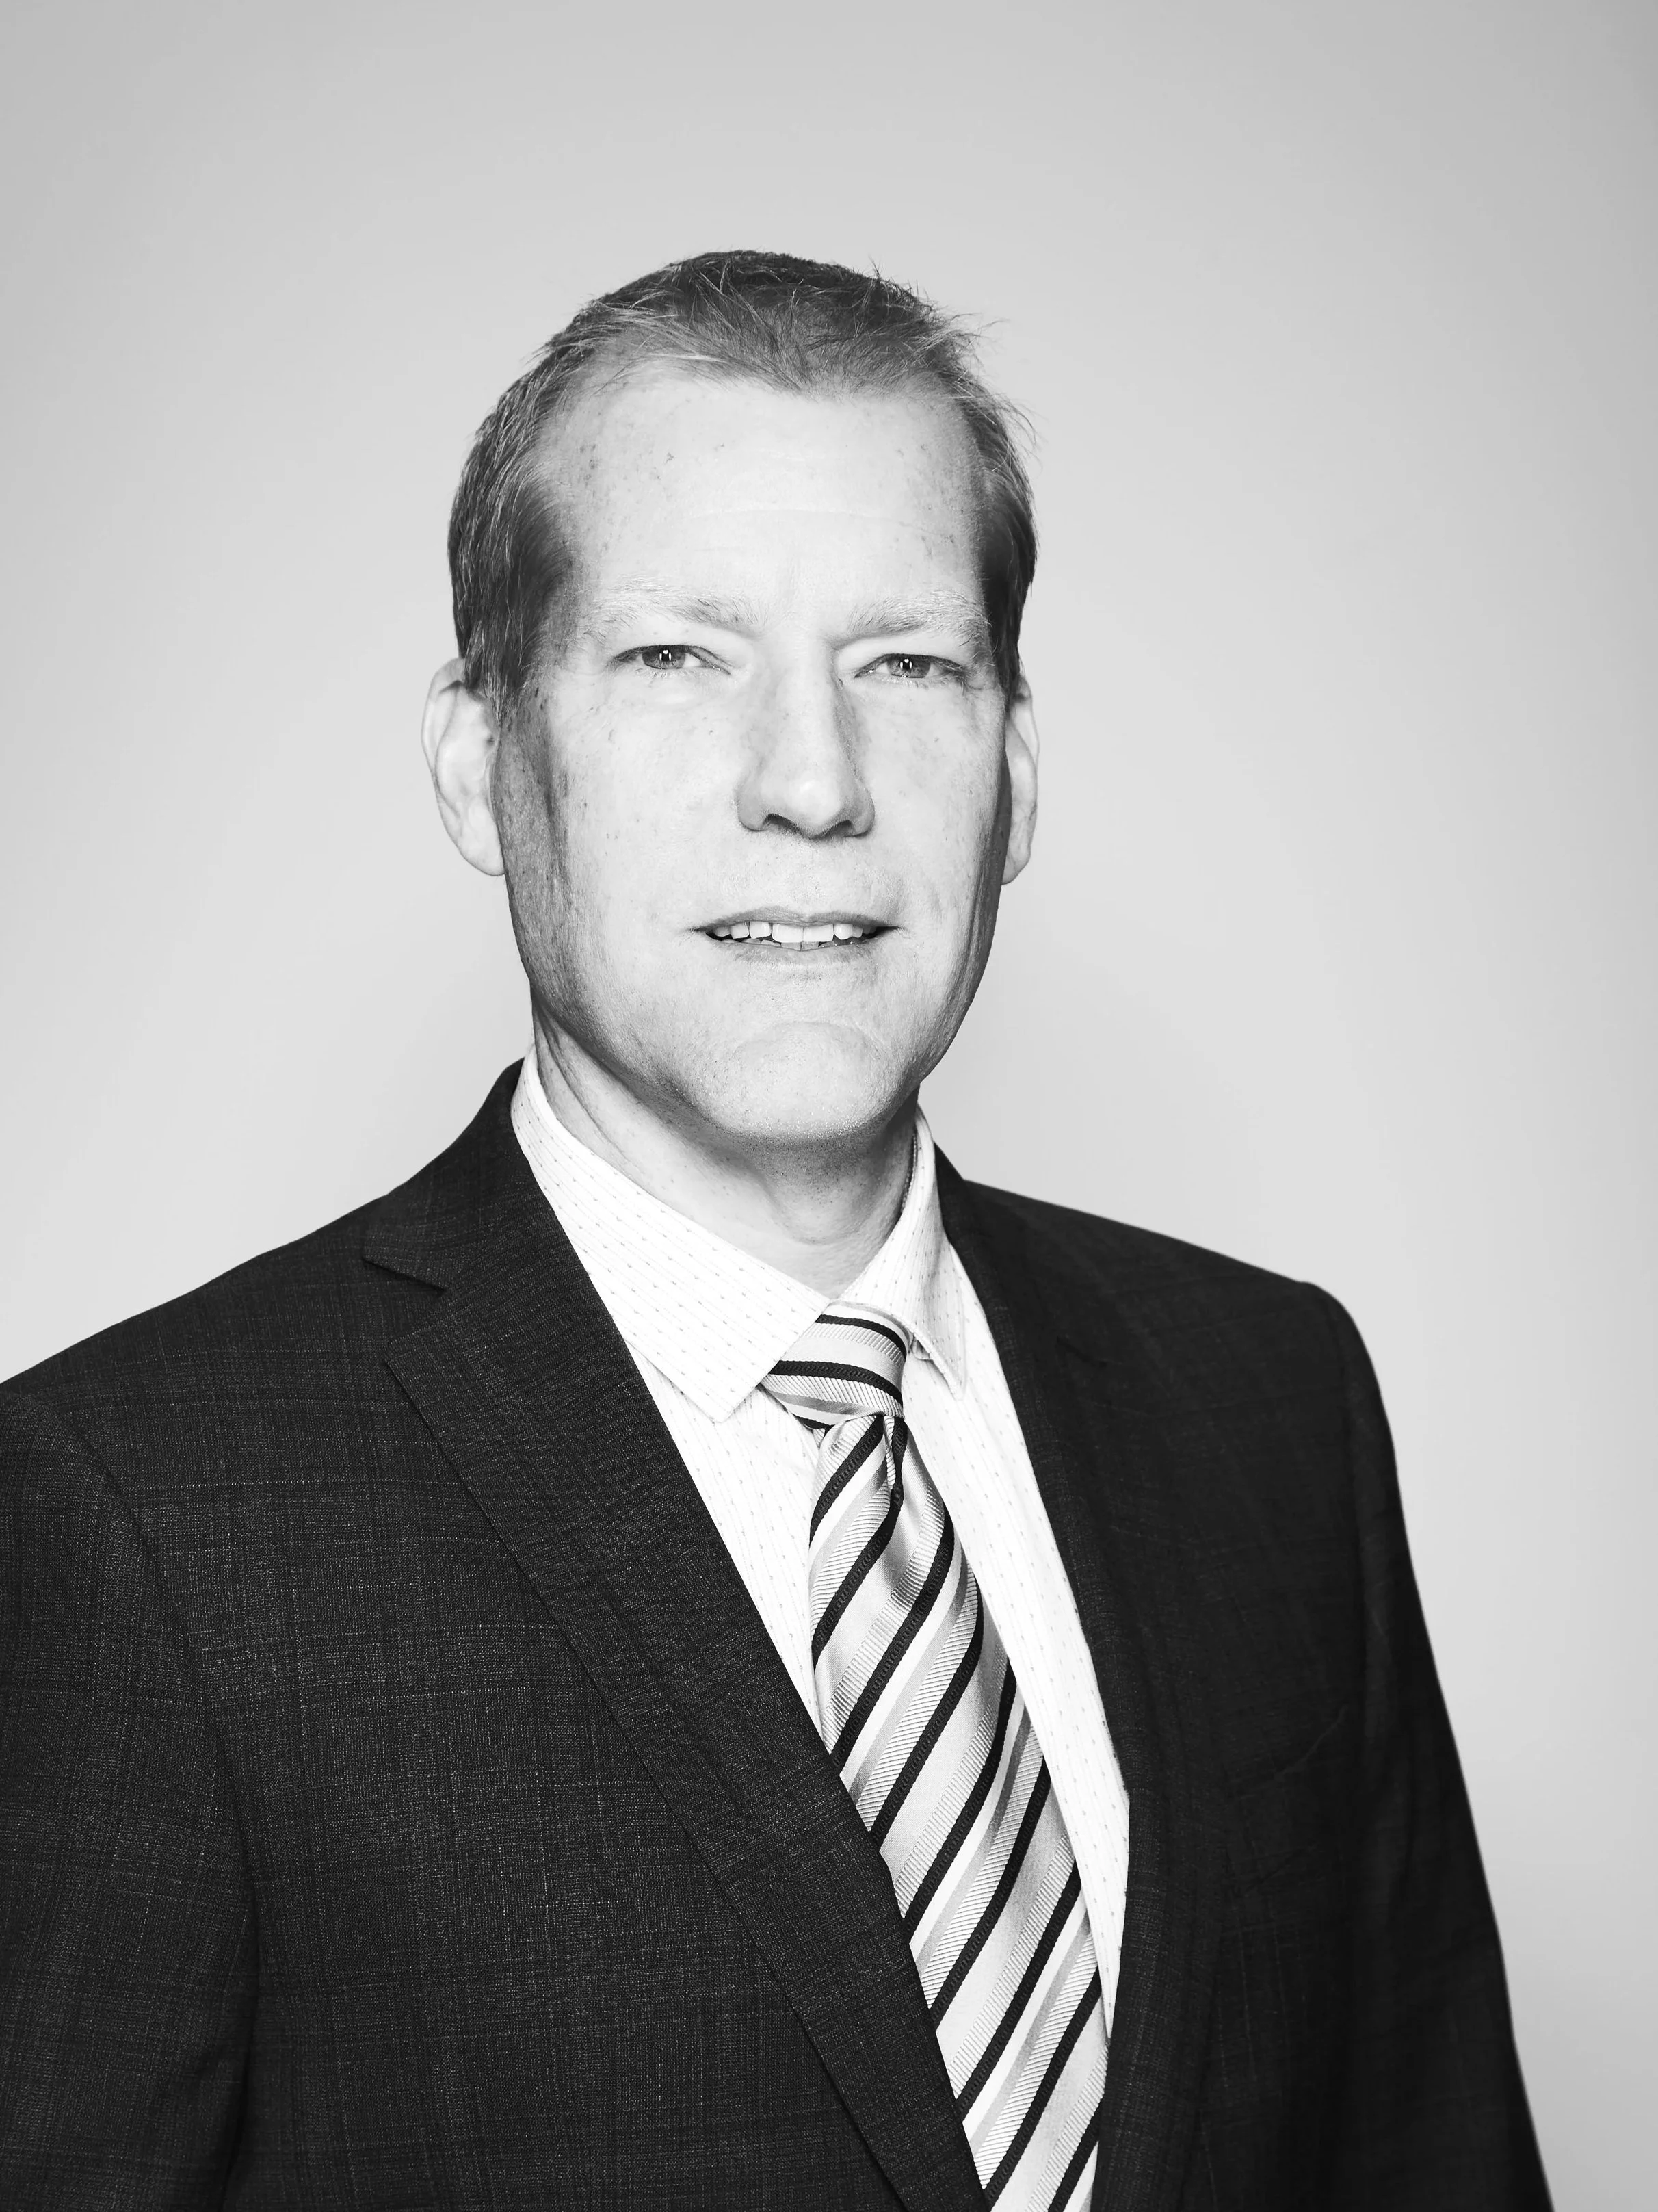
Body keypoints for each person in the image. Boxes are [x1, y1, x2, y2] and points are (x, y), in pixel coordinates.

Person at [0, 250, 1549, 2211]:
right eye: (677, 660)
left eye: (906, 663)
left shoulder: (1269, 1400)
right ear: (486, 767)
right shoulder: (130, 1514)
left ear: (1019, 768)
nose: (810, 785)